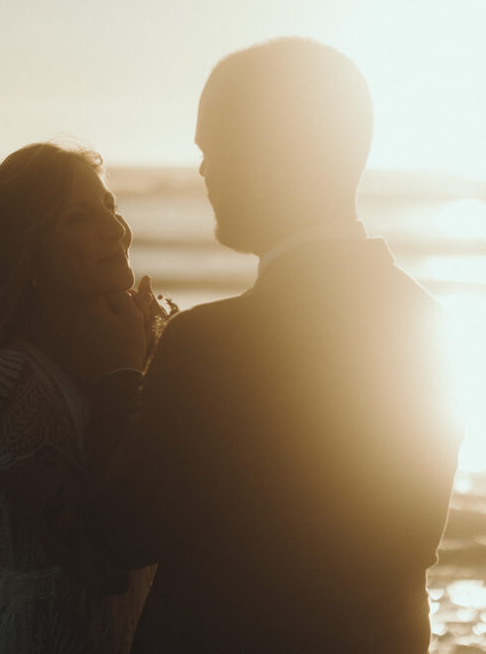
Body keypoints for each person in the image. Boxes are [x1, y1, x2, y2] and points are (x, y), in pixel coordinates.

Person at [78, 37, 464, 653]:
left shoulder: (208, 344)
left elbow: (123, 531)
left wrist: (124, 371)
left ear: (273, 154)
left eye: (215, 148)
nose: (203, 171)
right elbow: (406, 541)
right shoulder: (431, 325)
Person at [0, 143, 163, 654]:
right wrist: (121, 372)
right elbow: (103, 563)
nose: (114, 228)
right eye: (79, 217)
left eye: (111, 207)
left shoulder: (125, 348)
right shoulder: (3, 384)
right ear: (28, 250)